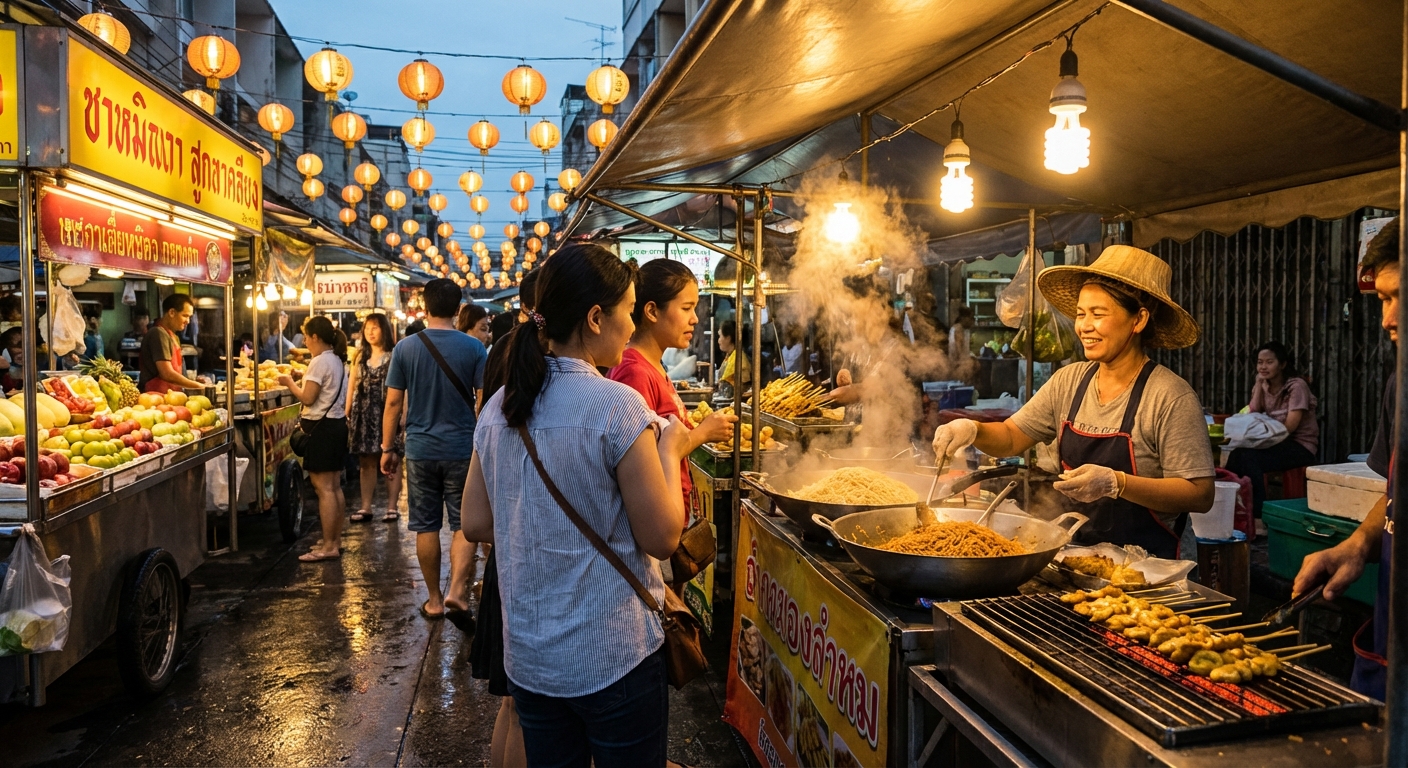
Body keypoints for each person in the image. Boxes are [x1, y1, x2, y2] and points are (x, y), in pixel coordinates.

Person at [460, 243, 689, 767]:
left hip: (531, 658)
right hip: (614, 654)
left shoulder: (500, 406)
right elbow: (661, 537)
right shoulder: (618, 406)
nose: (631, 327)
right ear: (595, 318)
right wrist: (671, 450)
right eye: (628, 311)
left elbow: (474, 521)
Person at [932, 246, 1215, 559]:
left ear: (1138, 319)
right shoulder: (1069, 381)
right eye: (1081, 314)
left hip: (1151, 569)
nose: (1084, 326)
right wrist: (972, 429)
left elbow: (1199, 494)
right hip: (1077, 558)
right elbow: (1012, 436)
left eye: (1098, 314)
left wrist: (1117, 483)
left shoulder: (1169, 396)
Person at [1295, 217, 1400, 700]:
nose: (1387, 319)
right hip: (1393, 629)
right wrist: (1358, 545)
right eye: (1382, 299)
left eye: (1400, 297)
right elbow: (1395, 495)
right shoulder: (1400, 385)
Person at [382, 278, 487, 626]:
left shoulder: (405, 349)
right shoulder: (474, 348)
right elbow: (483, 402)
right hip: (462, 448)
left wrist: (387, 447)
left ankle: (435, 600)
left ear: (425, 306)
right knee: (462, 524)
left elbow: (393, 403)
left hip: (420, 450)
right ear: (458, 309)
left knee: (425, 525)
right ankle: (457, 589)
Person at [610, 259, 738, 536]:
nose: (695, 319)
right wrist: (703, 433)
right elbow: (641, 463)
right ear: (652, 311)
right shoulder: (634, 373)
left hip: (672, 516)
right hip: (653, 528)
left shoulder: (654, 366)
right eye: (686, 308)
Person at [278, 316, 349, 563]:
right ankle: (334, 541)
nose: (305, 342)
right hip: (336, 426)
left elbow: (308, 398)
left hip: (322, 430)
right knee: (334, 487)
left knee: (324, 489)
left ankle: (329, 546)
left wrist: (289, 382)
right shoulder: (336, 360)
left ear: (315, 337)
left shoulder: (319, 362)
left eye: (307, 337)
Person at [1225, 341, 1319, 518]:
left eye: (1269, 362)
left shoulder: (1296, 386)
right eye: (1260, 362)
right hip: (1273, 442)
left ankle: (1258, 516)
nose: (1263, 367)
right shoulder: (1264, 384)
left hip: (1299, 446)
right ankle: (1234, 510)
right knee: (1236, 454)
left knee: (1251, 458)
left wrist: (1260, 442)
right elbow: (1253, 411)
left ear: (1282, 364)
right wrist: (1259, 385)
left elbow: (1290, 427)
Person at [347, 312, 403, 523]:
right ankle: (365, 506)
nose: (370, 332)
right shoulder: (359, 356)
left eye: (375, 327)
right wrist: (347, 412)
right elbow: (352, 385)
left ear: (384, 330)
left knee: (392, 460)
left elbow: (403, 388)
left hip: (388, 413)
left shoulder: (394, 355)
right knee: (366, 461)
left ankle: (392, 507)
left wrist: (404, 413)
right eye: (367, 328)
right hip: (363, 413)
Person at [138, 294, 204, 393]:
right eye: (185, 316)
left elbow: (177, 373)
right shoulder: (157, 333)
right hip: (155, 396)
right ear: (172, 312)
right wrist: (198, 386)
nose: (188, 321)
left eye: (190, 317)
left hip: (172, 396)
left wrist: (193, 381)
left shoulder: (174, 337)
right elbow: (167, 374)